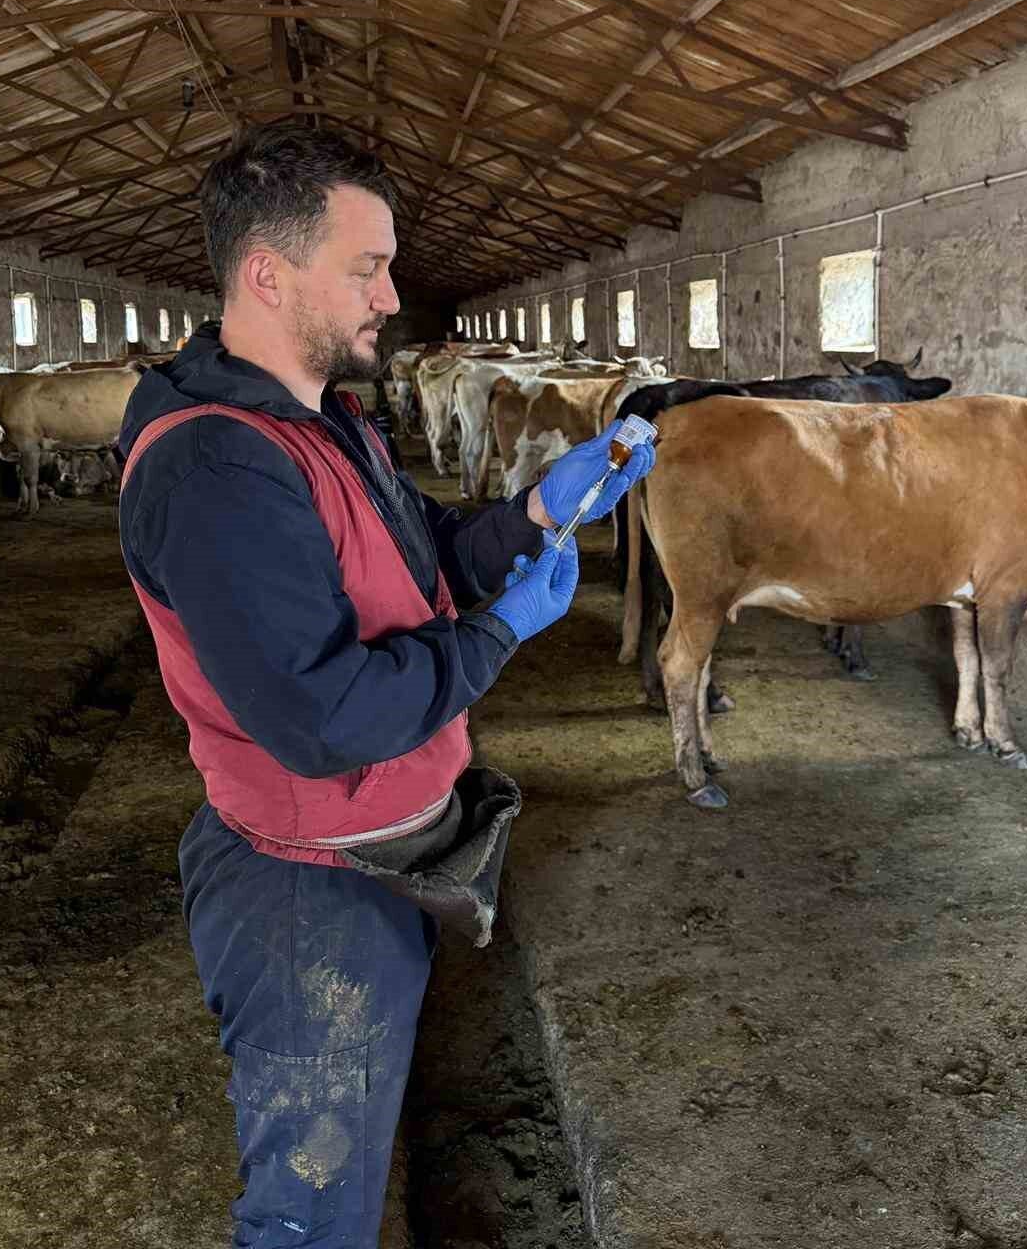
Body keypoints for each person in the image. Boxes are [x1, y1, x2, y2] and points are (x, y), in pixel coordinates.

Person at [117, 121, 654, 1248]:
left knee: (352, 1167)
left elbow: (424, 557)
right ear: (268, 274)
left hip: (370, 858)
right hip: (306, 893)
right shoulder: (217, 464)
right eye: (367, 267)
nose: (393, 295)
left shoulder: (322, 419)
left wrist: (536, 512)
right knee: (312, 1216)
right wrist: (498, 633)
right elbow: (324, 717)